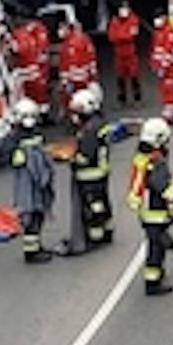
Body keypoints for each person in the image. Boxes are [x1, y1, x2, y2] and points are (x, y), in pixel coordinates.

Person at [135, 118, 173, 296]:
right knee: (156, 249)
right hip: (155, 212)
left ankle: (154, 276)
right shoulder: (157, 161)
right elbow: (162, 187)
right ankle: (153, 283)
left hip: (146, 211)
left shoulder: (143, 157)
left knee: (156, 243)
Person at [60, 88, 114, 255]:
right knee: (102, 203)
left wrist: (67, 158)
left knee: (93, 207)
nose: (75, 116)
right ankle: (107, 231)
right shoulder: (99, 124)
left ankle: (95, 238)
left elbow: (86, 156)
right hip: (101, 172)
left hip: (90, 175)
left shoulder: (89, 130)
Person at [10, 99, 55, 264]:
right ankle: (31, 252)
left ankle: (36, 247)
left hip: (39, 183)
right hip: (27, 185)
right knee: (31, 216)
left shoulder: (36, 133)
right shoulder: (15, 137)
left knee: (39, 213)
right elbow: (8, 154)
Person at [107, 1, 143, 107]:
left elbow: (132, 35)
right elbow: (111, 36)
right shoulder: (114, 21)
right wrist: (123, 35)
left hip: (131, 53)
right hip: (119, 54)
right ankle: (122, 100)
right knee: (120, 78)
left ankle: (137, 99)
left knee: (134, 77)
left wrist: (120, 36)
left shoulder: (133, 19)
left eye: (126, 9)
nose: (124, 11)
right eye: (122, 9)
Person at [58, 19, 98, 115]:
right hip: (72, 78)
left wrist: (92, 73)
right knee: (67, 95)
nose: (60, 31)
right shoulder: (65, 44)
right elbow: (64, 63)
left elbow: (90, 57)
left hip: (80, 77)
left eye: (62, 28)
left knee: (83, 96)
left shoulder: (81, 40)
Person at [13, 18, 50, 111]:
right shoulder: (32, 34)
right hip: (36, 69)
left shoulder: (20, 35)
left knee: (29, 94)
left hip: (26, 70)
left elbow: (18, 50)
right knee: (40, 92)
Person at [149, 13, 173, 122]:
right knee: (164, 88)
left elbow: (169, 52)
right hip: (161, 67)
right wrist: (154, 64)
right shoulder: (158, 32)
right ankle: (170, 109)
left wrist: (164, 66)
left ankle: (171, 111)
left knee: (169, 88)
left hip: (169, 67)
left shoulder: (169, 32)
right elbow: (155, 50)